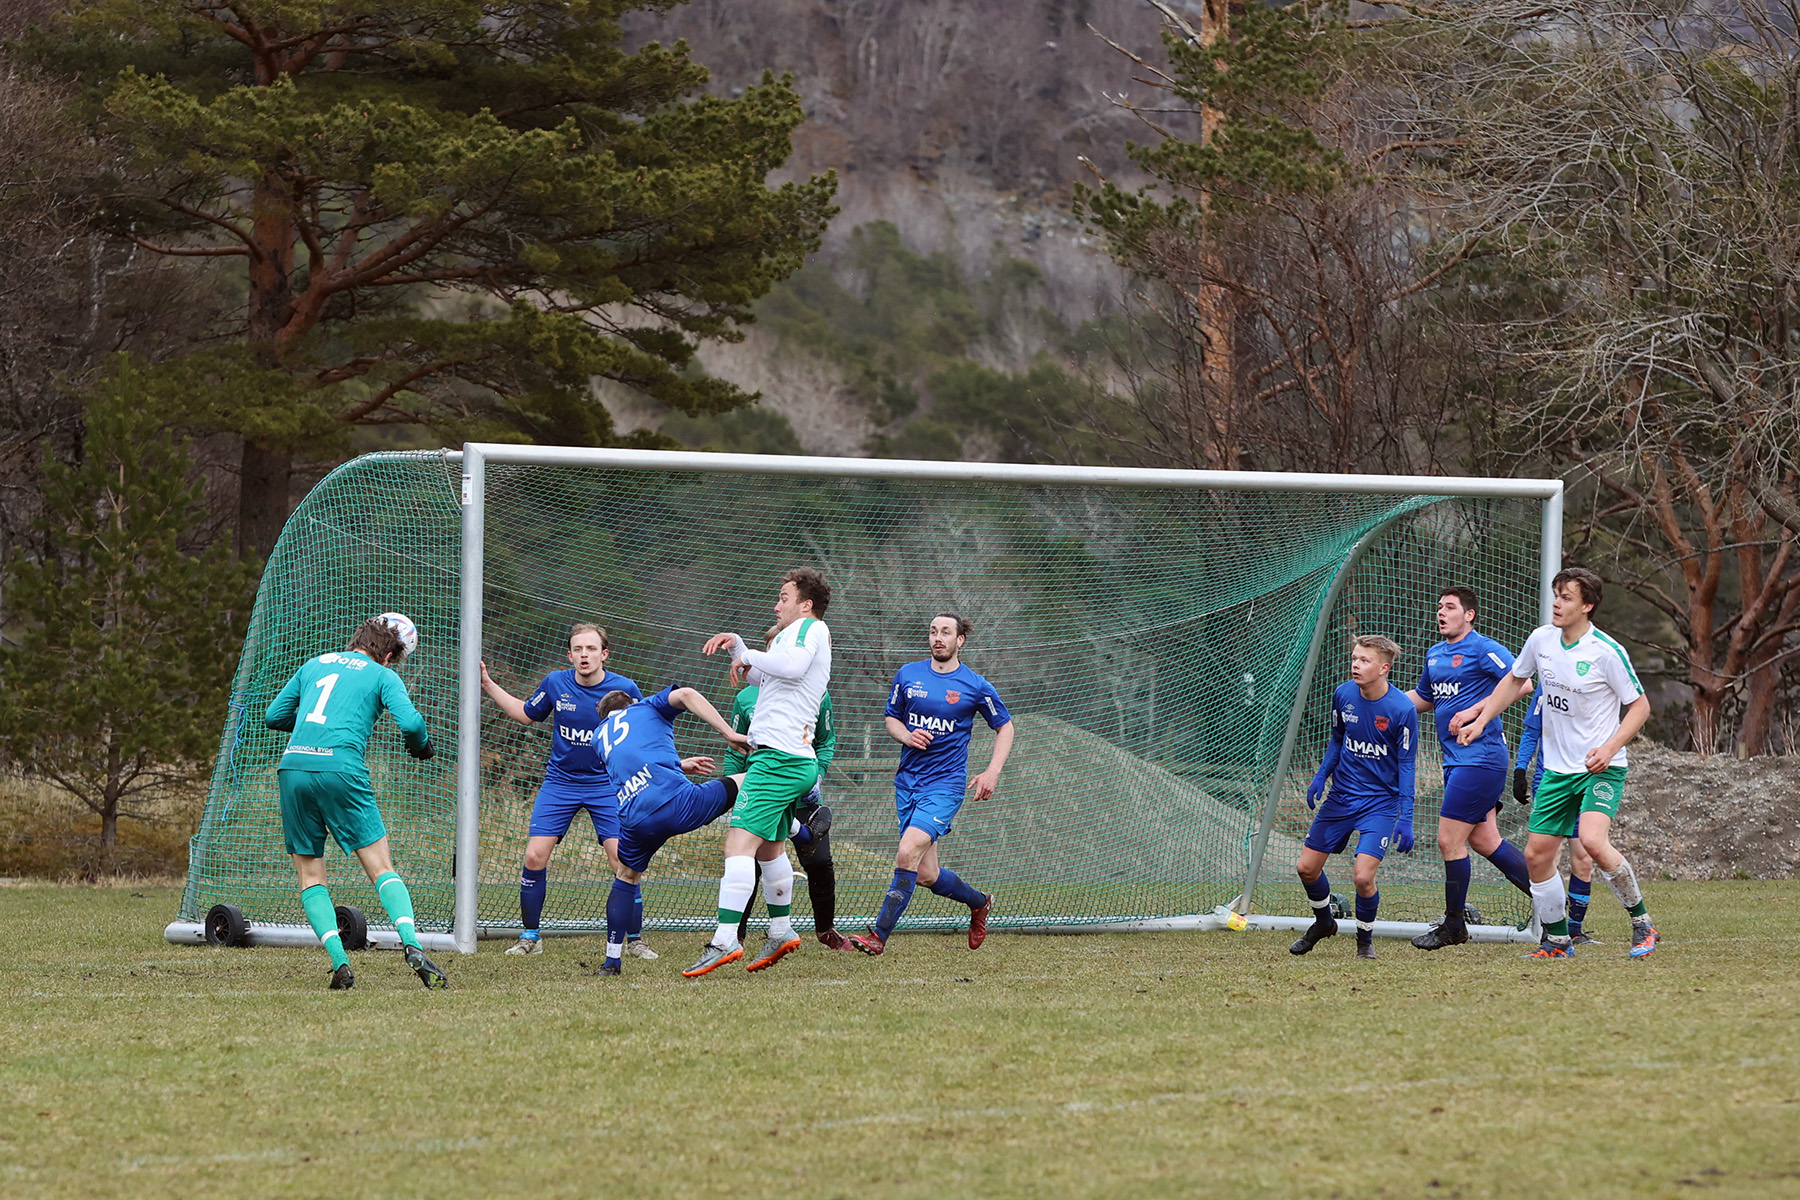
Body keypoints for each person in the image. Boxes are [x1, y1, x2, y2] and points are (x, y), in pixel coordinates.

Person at [1454, 566, 1656, 958]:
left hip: (1600, 767)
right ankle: (1559, 940)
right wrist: (1480, 719)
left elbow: (1640, 706)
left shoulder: (1606, 651)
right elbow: (1514, 680)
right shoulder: (1541, 639)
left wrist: (1610, 748)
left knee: (1592, 842)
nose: (1557, 604)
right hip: (1557, 772)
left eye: (1566, 597)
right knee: (1536, 856)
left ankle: (1643, 924)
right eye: (1556, 595)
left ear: (1588, 606)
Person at [264, 616, 448, 990]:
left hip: (293, 767)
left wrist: (314, 728)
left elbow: (273, 716)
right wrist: (420, 747)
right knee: (381, 868)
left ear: (357, 640)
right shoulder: (382, 676)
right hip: (341, 769)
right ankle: (411, 945)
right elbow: (412, 724)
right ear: (390, 655)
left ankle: (340, 965)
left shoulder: (314, 664)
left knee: (310, 876)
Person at [686, 568, 835, 978]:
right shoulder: (794, 635)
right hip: (788, 758)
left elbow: (791, 666)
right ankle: (781, 930)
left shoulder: (809, 629)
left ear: (805, 604)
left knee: (737, 845)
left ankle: (724, 940)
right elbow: (765, 676)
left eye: (784, 597)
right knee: (770, 848)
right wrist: (738, 647)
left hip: (779, 760)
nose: (776, 605)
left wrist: (749, 653)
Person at [479, 624, 651, 958]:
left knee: (622, 860)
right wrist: (488, 684)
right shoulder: (556, 683)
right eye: (578, 649)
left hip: (606, 784)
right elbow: (526, 714)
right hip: (561, 783)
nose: (584, 655)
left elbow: (643, 733)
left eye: (591, 649)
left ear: (604, 654)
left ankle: (635, 940)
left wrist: (674, 763)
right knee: (534, 856)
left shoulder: (625, 689)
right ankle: (530, 937)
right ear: (569, 655)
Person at [847, 612, 1013, 957]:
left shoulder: (975, 685)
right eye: (934, 631)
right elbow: (891, 718)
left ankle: (878, 936)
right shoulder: (908, 674)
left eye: (946, 632)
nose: (938, 637)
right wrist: (906, 735)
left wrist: (992, 772)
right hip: (907, 783)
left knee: (907, 850)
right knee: (925, 874)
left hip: (945, 786)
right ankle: (979, 903)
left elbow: (1005, 727)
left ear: (959, 640)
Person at [1404, 586, 1537, 950]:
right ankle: (1558, 904)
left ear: (1469, 614)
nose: (1441, 612)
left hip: (1481, 757)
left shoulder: (1483, 648)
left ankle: (1453, 926)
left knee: (1449, 839)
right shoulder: (1434, 654)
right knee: (1484, 840)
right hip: (1456, 760)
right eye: (1439, 607)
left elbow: (1524, 684)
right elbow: (1424, 698)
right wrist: (1382, 701)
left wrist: (1476, 711)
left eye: (1450, 607)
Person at [590, 684, 751, 975]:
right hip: (678, 803)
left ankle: (612, 961)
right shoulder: (645, 706)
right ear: (632, 703)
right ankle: (800, 825)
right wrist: (728, 733)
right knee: (756, 779)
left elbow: (632, 757)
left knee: (625, 877)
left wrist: (677, 765)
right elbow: (687, 694)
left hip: (635, 819)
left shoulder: (597, 738)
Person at [1290, 635, 1418, 961]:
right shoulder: (1343, 694)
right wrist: (1321, 776)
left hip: (1380, 804)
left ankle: (1364, 941)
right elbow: (1337, 740)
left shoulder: (1402, 709)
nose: (1356, 665)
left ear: (1384, 668)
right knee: (1306, 868)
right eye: (1355, 658)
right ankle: (1324, 923)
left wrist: (1406, 817)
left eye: (1364, 660)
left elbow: (1407, 765)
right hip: (1342, 796)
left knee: (1362, 876)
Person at [727, 629, 847, 950]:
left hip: (799, 787)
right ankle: (735, 934)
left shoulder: (815, 691)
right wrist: (734, 784)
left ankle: (825, 929)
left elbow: (826, 741)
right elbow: (735, 748)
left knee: (819, 861)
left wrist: (817, 775)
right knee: (749, 858)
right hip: (763, 783)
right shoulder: (747, 696)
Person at [1516, 692, 1600, 945]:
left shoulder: (1593, 684)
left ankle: (1575, 930)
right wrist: (1520, 769)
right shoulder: (1547, 684)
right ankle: (1551, 928)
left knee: (1584, 858)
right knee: (1547, 857)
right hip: (1550, 783)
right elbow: (1532, 731)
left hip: (1584, 781)